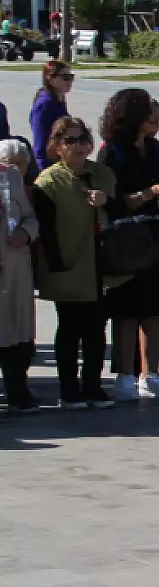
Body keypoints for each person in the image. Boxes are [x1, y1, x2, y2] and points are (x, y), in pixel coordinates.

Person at [98, 91, 159, 402]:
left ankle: (152, 373)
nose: (155, 120)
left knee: (157, 308)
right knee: (126, 310)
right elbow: (113, 202)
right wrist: (148, 194)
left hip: (157, 233)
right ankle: (125, 374)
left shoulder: (157, 150)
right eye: (148, 113)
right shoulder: (111, 153)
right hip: (126, 239)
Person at [33, 117, 116, 408]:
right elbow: (44, 229)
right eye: (70, 140)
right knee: (69, 329)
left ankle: (93, 386)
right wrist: (57, 266)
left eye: (82, 139)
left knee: (96, 329)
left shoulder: (102, 173)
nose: (78, 146)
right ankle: (69, 390)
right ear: (56, 147)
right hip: (67, 264)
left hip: (99, 265)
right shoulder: (48, 181)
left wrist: (106, 201)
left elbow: (118, 213)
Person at [0, 139, 39, 411]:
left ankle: (17, 390)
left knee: (16, 329)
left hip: (14, 266)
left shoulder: (10, 177)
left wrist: (26, 234)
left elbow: (30, 217)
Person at [31, 60, 72, 168]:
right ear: (51, 79)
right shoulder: (44, 105)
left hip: (61, 160)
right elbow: (40, 145)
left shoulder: (59, 100)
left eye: (71, 77)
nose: (70, 81)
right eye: (66, 77)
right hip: (48, 165)